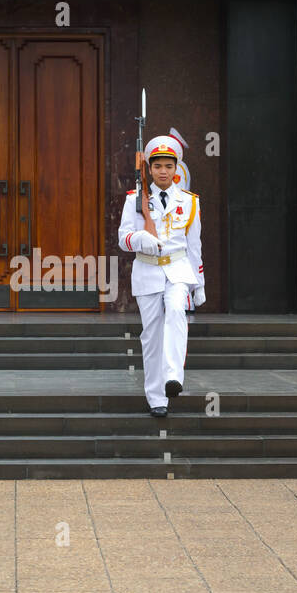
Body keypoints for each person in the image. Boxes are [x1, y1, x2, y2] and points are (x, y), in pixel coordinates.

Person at [118, 133, 205, 417]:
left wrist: (199, 284)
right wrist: (141, 238)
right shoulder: (135, 199)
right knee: (152, 335)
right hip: (148, 270)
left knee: (177, 310)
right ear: (150, 169)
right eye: (158, 166)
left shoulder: (190, 202)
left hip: (178, 269)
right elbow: (123, 239)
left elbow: (194, 246)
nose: (164, 171)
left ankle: (173, 376)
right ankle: (157, 398)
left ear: (177, 168)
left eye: (169, 166)